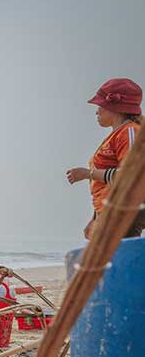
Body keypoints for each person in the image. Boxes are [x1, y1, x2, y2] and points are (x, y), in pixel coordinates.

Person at [65, 77, 144, 239]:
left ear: (115, 108)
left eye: (100, 106)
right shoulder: (117, 134)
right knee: (111, 261)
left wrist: (88, 173)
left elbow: (130, 176)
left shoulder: (130, 131)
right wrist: (95, 218)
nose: (96, 111)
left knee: (115, 260)